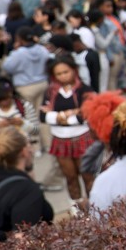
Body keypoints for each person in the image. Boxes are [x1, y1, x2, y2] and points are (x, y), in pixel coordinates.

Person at [0, 127, 53, 244]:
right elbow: (23, 244)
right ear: (24, 151)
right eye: (30, 143)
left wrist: (28, 168)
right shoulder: (27, 191)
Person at [39, 54, 96, 210]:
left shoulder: (84, 89)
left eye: (66, 72)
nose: (63, 76)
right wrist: (67, 114)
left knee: (87, 175)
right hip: (60, 139)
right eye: (59, 73)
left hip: (82, 137)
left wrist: (57, 116)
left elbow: (85, 115)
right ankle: (76, 207)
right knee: (70, 176)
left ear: (74, 70)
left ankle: (95, 206)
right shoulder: (50, 92)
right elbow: (43, 116)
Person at [0, 76, 39, 142]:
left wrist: (23, 123)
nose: (4, 102)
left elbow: (36, 131)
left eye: (6, 97)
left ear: (11, 93)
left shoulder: (24, 106)